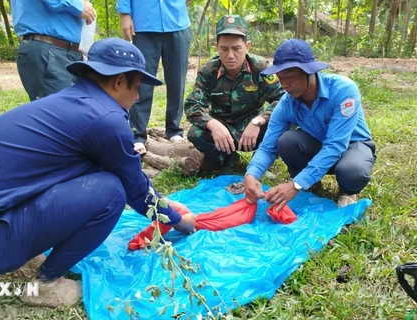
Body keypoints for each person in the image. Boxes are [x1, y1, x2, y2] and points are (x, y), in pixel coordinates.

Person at [0, 38, 197, 308]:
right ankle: (45, 285)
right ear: (119, 82)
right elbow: (136, 191)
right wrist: (179, 221)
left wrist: (164, 204)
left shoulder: (69, 102)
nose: (139, 97)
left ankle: (14, 241)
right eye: (138, 87)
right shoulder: (106, 118)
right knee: (111, 192)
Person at [244, 39, 376, 208]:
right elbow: (268, 146)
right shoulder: (287, 103)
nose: (285, 85)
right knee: (286, 140)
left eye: (290, 77)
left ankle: (347, 190)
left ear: (309, 72)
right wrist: (251, 174)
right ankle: (312, 183)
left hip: (353, 145)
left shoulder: (343, 90)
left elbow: (335, 145)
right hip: (319, 146)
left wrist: (296, 184)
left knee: (353, 171)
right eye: (281, 79)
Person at [184, 15, 285, 173]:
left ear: (247, 46)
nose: (230, 55)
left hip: (252, 127)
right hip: (223, 128)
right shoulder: (209, 71)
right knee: (195, 134)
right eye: (224, 49)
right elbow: (192, 105)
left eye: (237, 48)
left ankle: (261, 160)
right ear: (217, 47)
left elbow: (284, 100)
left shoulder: (261, 67)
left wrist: (258, 121)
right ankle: (229, 157)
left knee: (284, 128)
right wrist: (213, 124)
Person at [117, 0, 192, 154]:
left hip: (177, 22)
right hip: (144, 23)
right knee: (140, 81)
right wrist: (125, 14)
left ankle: (174, 130)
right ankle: (137, 135)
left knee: (177, 81)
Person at [11, 0, 97, 101]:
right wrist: (78, 5)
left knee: (71, 109)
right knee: (60, 109)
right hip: (50, 50)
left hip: (65, 51)